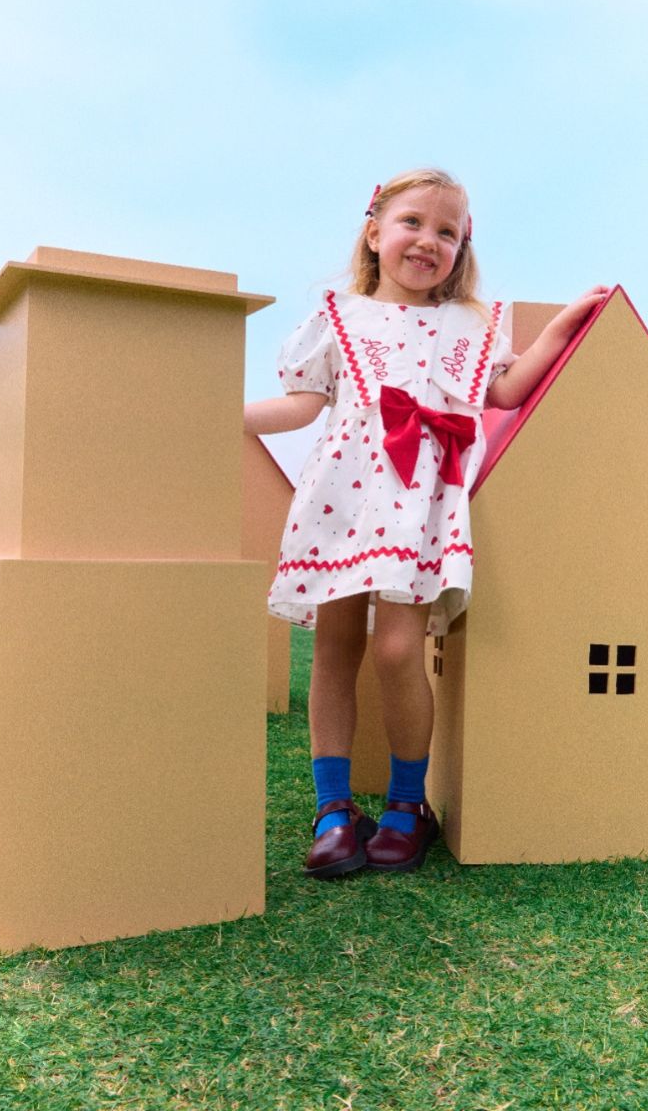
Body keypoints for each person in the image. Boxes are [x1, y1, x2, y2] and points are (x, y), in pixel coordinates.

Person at [244, 167, 609, 879]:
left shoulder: (468, 325)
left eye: (447, 231)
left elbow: (499, 391)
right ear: (375, 231)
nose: (428, 241)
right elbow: (298, 406)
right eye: (413, 223)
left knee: (395, 651)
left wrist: (557, 330)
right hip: (340, 498)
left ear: (461, 248)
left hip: (417, 502)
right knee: (335, 649)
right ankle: (332, 809)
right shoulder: (338, 316)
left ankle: (409, 805)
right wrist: (209, 413)